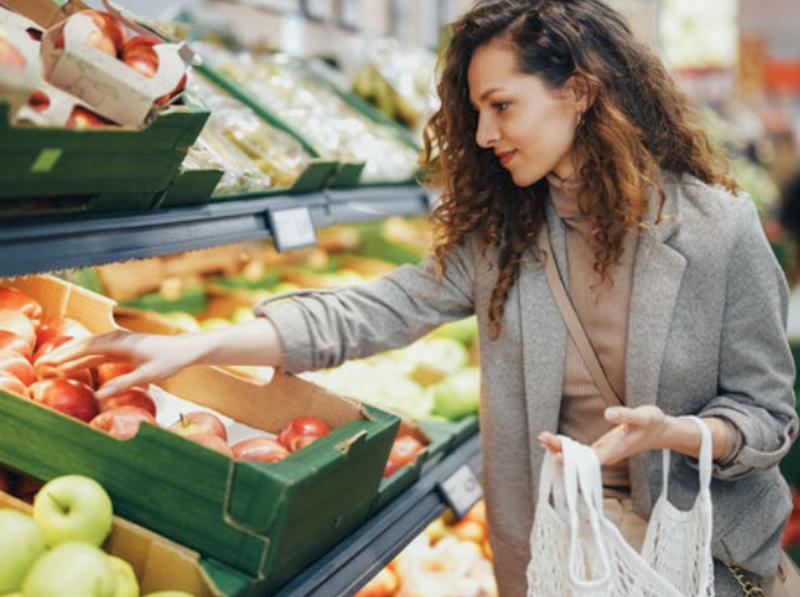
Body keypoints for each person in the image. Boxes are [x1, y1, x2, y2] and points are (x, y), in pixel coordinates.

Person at [43, 1, 798, 594]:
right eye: (474, 111)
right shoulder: (509, 236)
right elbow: (370, 312)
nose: (482, 133)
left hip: (693, 559)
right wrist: (200, 346)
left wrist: (678, 432)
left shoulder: (714, 230)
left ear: (580, 91)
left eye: (501, 106)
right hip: (561, 559)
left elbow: (769, 415)